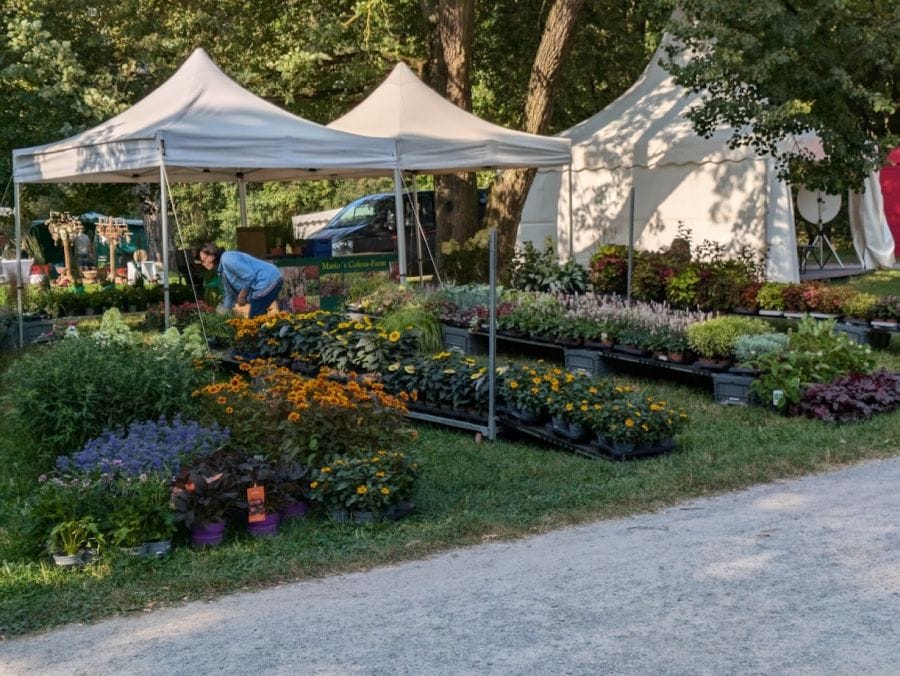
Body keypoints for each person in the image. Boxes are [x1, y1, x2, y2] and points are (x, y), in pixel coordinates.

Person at [197, 243, 283, 318]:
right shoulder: (221, 269)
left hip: (266, 280)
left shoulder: (227, 258)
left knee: (254, 321)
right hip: (265, 284)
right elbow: (229, 294)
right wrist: (224, 312)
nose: (202, 264)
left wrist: (242, 294)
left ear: (212, 256)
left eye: (203, 260)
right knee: (262, 318)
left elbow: (250, 275)